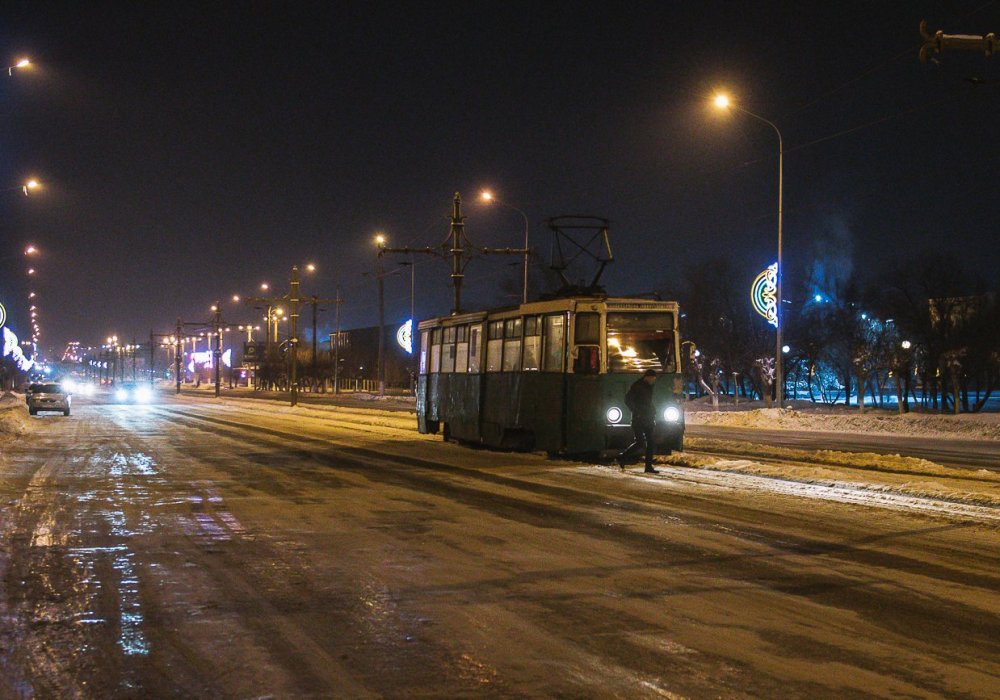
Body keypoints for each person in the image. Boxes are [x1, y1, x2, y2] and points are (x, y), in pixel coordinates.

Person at [618, 369, 659, 473]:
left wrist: (652, 410)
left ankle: (648, 467)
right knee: (640, 443)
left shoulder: (649, 387)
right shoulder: (637, 386)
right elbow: (628, 399)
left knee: (650, 442)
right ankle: (623, 456)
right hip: (638, 418)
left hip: (648, 418)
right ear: (647, 377)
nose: (653, 381)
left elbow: (647, 402)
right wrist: (636, 411)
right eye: (652, 378)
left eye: (654, 379)